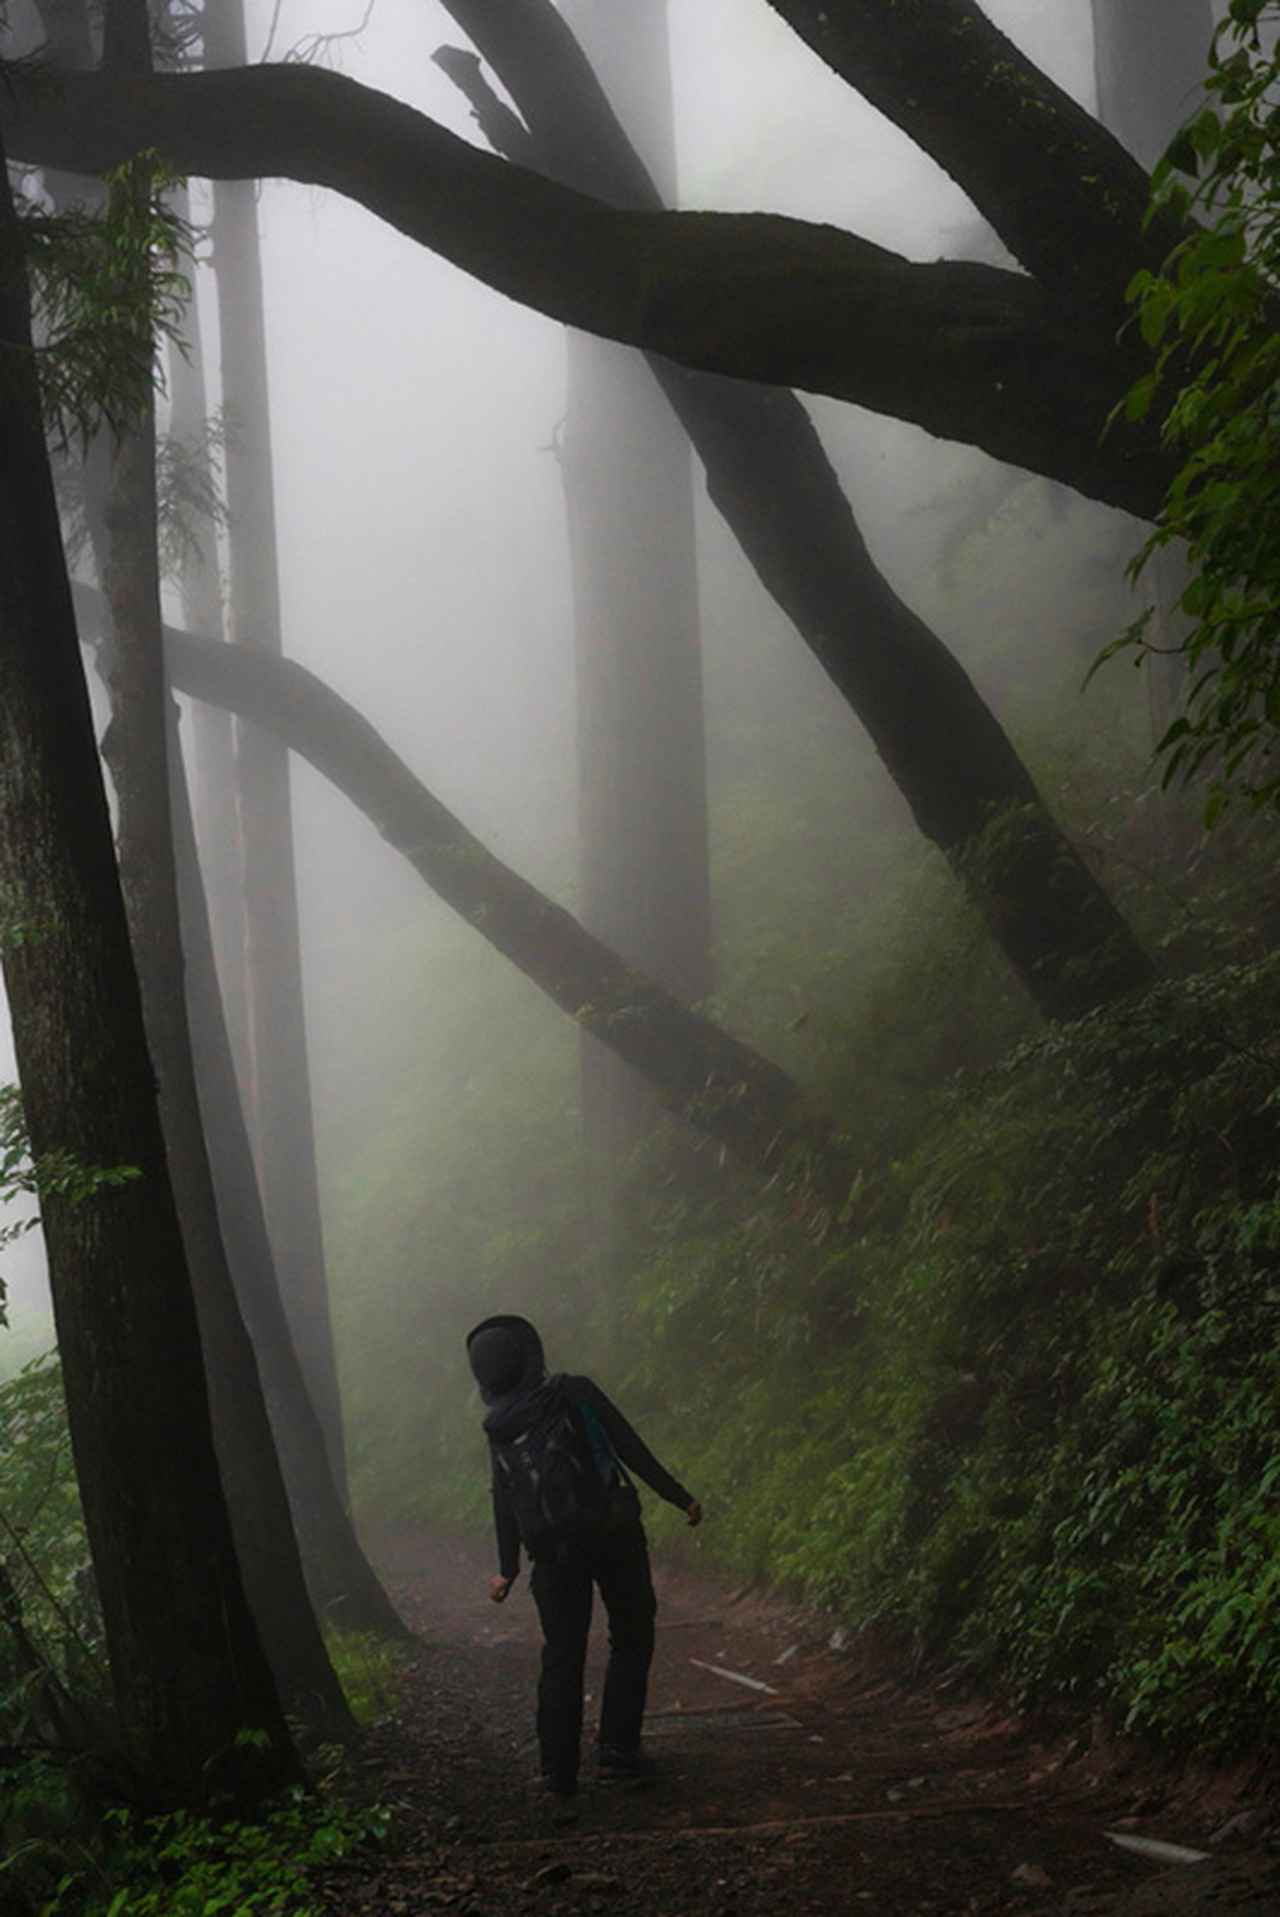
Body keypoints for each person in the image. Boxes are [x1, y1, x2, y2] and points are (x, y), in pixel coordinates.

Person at [465, 1314, 702, 1812]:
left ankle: (557, 1774)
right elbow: (627, 1445)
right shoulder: (572, 1392)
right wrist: (678, 1498)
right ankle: (617, 1751)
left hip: (550, 1554)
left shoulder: (498, 1426)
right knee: (632, 1633)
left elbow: (504, 1497)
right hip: (612, 1532)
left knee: (562, 1655)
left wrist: (507, 1568)